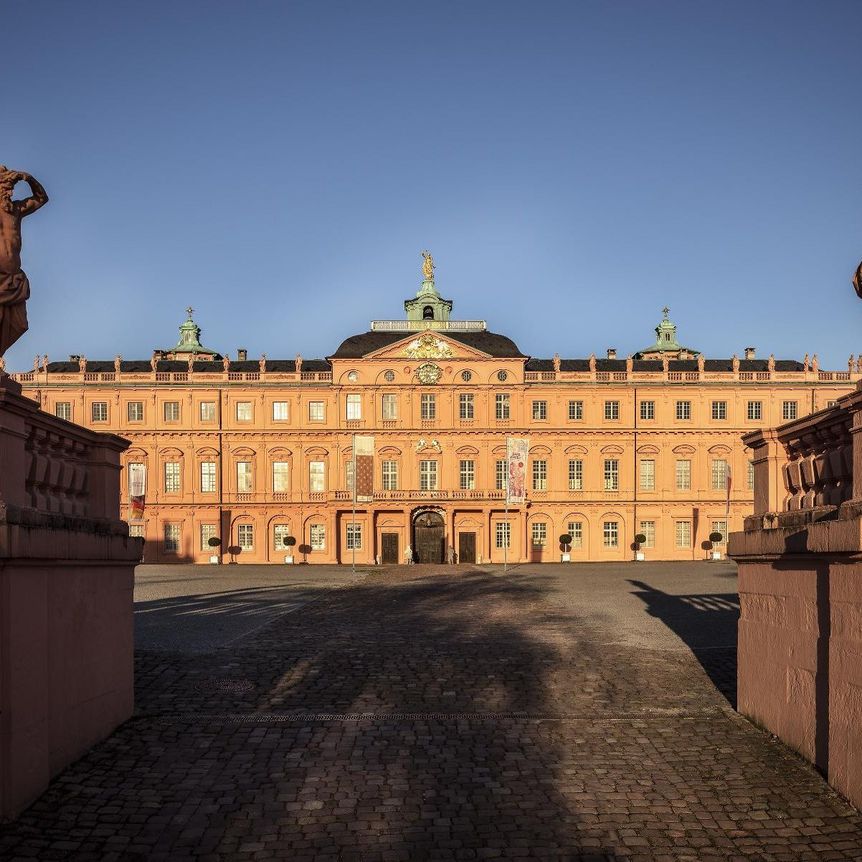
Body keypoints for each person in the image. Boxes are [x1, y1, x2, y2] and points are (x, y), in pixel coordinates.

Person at [0, 167, 49, 356]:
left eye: (12, 188)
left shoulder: (16, 210)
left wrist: (29, 178)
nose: (10, 192)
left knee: (19, 324)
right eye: (6, 188)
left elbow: (42, 198)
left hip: (14, 278)